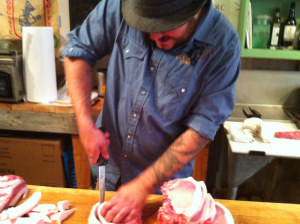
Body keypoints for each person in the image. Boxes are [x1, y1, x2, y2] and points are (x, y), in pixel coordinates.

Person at [63, 0, 241, 222]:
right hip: (110, 170)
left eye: (165, 28)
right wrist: (85, 123)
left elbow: (202, 128)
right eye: (145, 27)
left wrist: (143, 186)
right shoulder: (121, 6)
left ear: (195, 9)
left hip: (165, 189)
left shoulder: (223, 44)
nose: (155, 38)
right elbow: (78, 51)